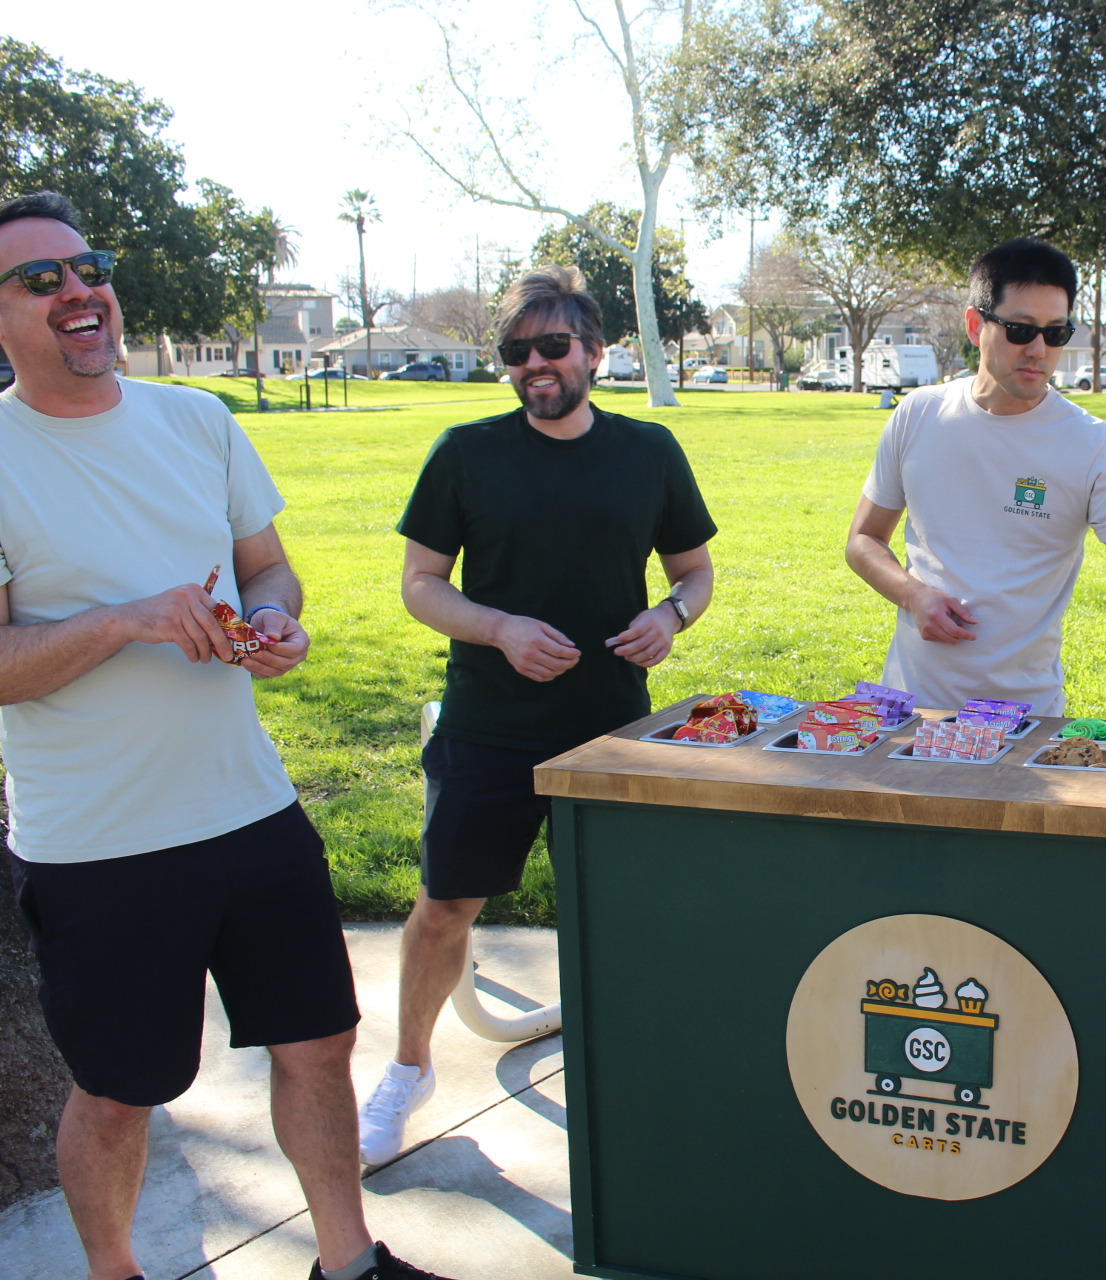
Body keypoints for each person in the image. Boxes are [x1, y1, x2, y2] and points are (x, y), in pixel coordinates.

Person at [0, 191, 454, 1280]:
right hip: (98, 843)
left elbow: (267, 565)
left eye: (90, 266)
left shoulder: (197, 420)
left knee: (320, 1042)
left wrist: (278, 618)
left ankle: (349, 1264)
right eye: (41, 278)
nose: (79, 290)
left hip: (249, 807)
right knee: (121, 1090)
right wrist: (127, 620)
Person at [356, 267, 716, 1166]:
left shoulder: (649, 451)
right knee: (445, 906)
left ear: (595, 352)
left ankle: (631, 1066)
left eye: (553, 347)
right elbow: (420, 585)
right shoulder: (465, 453)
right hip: (490, 723)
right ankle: (408, 1069)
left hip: (609, 728)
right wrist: (500, 629)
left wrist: (670, 617)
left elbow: (695, 572)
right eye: (516, 352)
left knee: (617, 913)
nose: (534, 366)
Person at [845, 238, 1106, 715]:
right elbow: (863, 540)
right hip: (914, 710)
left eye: (1056, 333)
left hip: (1024, 721)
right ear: (975, 325)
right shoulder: (919, 414)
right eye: (1020, 330)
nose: (1038, 350)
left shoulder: (1090, 445)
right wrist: (912, 594)